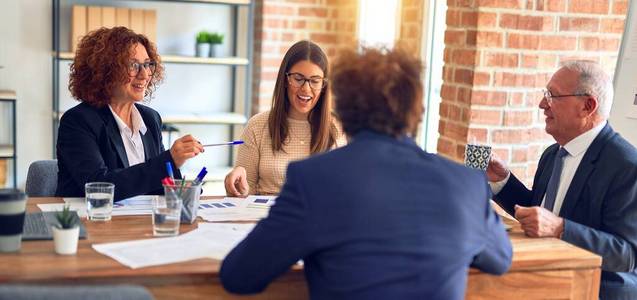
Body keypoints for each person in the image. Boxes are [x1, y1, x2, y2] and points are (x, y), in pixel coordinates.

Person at [220, 47, 512, 299]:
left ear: (344, 111)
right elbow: (500, 258)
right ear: (417, 110)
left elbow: (239, 275)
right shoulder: (466, 184)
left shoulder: (313, 180)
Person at [487, 60, 637, 299]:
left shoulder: (627, 166)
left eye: (552, 96)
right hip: (546, 279)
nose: (542, 104)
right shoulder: (551, 154)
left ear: (587, 106)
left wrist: (560, 229)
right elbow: (540, 215)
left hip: (594, 290)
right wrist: (503, 180)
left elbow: (627, 254)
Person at [56, 27, 204, 201]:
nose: (144, 75)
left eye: (148, 64)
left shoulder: (150, 119)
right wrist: (168, 160)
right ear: (105, 72)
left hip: (139, 222)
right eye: (133, 65)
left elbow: (159, 183)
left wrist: (184, 187)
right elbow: (99, 187)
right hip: (90, 222)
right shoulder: (78, 121)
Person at [224, 40, 346, 196]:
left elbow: (343, 192)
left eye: (315, 81)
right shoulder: (257, 126)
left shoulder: (337, 128)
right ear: (286, 79)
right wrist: (237, 187)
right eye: (298, 78)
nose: (306, 88)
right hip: (266, 217)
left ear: (323, 85)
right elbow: (242, 196)